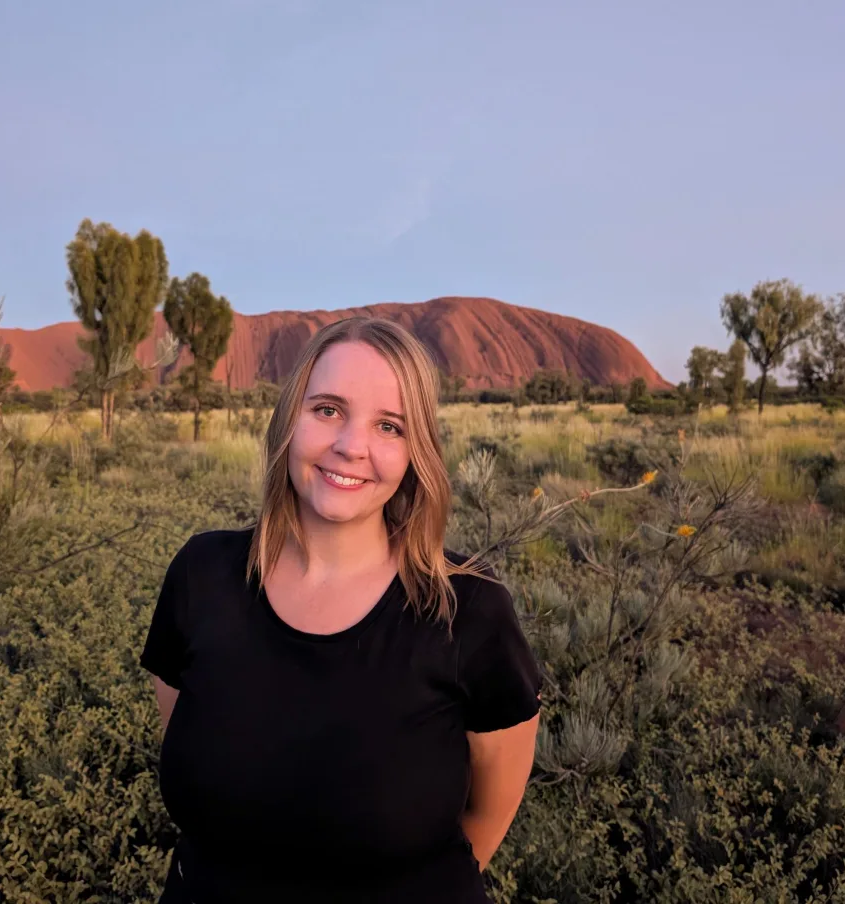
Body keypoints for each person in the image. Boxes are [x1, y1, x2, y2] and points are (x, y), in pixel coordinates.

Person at [139, 317, 544, 904]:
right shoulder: (202, 577)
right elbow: (190, 750)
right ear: (289, 421)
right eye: (327, 409)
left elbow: (488, 816)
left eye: (389, 425)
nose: (352, 446)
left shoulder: (469, 612)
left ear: (415, 452)